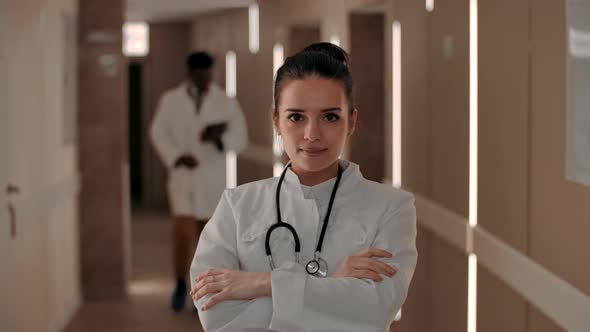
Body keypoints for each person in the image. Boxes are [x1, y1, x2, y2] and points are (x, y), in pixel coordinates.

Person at [189, 43, 417, 331]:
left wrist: (263, 283)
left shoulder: (391, 208)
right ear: (276, 120)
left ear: (351, 122)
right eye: (296, 117)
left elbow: (375, 312)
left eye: (330, 116)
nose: (312, 135)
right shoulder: (237, 206)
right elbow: (218, 318)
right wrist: (333, 286)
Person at [149, 51, 248, 312]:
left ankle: (203, 291)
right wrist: (176, 157)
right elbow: (158, 132)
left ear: (212, 73)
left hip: (212, 180)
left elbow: (241, 137)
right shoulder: (171, 100)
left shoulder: (226, 102)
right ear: (190, 73)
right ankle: (181, 284)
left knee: (211, 240)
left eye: (208, 75)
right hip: (184, 179)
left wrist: (218, 140)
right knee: (182, 235)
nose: (204, 80)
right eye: (199, 75)